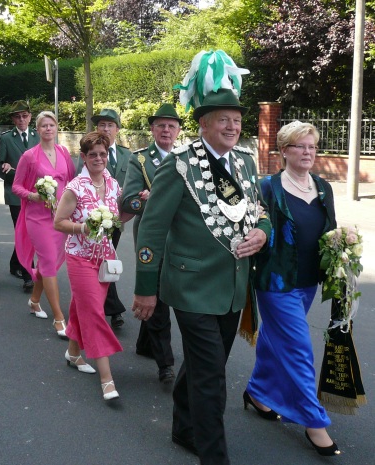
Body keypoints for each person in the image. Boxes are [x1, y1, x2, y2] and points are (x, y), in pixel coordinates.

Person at [132, 88, 272, 464]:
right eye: (224, 119)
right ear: (203, 124)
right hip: (190, 287)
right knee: (211, 375)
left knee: (202, 364)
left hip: (232, 287)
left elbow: (259, 209)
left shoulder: (244, 160)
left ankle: (184, 428)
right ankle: (214, 455)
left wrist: (263, 232)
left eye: (238, 120)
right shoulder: (179, 163)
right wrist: (146, 290)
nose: (232, 126)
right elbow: (151, 230)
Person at [245, 121, 340, 456]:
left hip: (308, 281)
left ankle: (257, 391)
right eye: (300, 146)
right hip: (275, 282)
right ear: (284, 150)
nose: (308, 152)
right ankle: (314, 422)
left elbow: (330, 231)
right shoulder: (267, 187)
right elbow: (256, 224)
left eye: (312, 147)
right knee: (299, 349)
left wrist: (342, 251)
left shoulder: (323, 187)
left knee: (276, 340)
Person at [54, 131, 133, 400]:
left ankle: (73, 353)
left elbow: (119, 218)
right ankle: (107, 379)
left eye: (103, 153)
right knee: (95, 314)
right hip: (79, 258)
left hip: (105, 259)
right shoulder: (75, 188)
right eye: (93, 155)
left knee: (82, 308)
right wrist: (82, 227)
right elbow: (58, 222)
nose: (99, 158)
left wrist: (137, 204)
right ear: (84, 158)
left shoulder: (112, 184)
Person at [121, 103, 181, 383]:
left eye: (171, 125)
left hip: (182, 237)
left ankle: (146, 343)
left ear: (179, 130)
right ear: (153, 129)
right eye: (161, 125)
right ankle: (165, 363)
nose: (166, 130)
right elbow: (128, 201)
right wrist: (143, 199)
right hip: (152, 238)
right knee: (155, 295)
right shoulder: (140, 160)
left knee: (167, 293)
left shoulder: (186, 158)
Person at [12, 111, 76, 336]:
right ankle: (59, 318)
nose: (48, 129)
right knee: (48, 261)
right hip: (37, 218)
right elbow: (16, 186)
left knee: (49, 264)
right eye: (43, 126)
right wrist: (34, 196)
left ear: (56, 128)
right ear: (37, 130)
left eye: (51, 125)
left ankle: (35, 300)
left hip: (59, 217)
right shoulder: (29, 156)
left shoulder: (64, 152)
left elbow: (71, 181)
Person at [82, 108, 131, 328]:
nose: (106, 128)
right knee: (100, 261)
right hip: (93, 221)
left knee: (106, 261)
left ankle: (103, 305)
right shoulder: (89, 154)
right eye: (101, 124)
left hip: (117, 220)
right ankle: (112, 308)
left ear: (118, 129)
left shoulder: (127, 156)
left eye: (110, 125)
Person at [0, 100, 39, 291]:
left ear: (30, 117)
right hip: (15, 193)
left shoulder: (38, 136)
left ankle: (16, 263)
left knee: (29, 233)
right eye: (17, 116)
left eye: (24, 116)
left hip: (38, 193)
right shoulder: (6, 138)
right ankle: (28, 274)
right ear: (13, 119)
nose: (21, 119)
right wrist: (9, 170)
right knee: (24, 232)